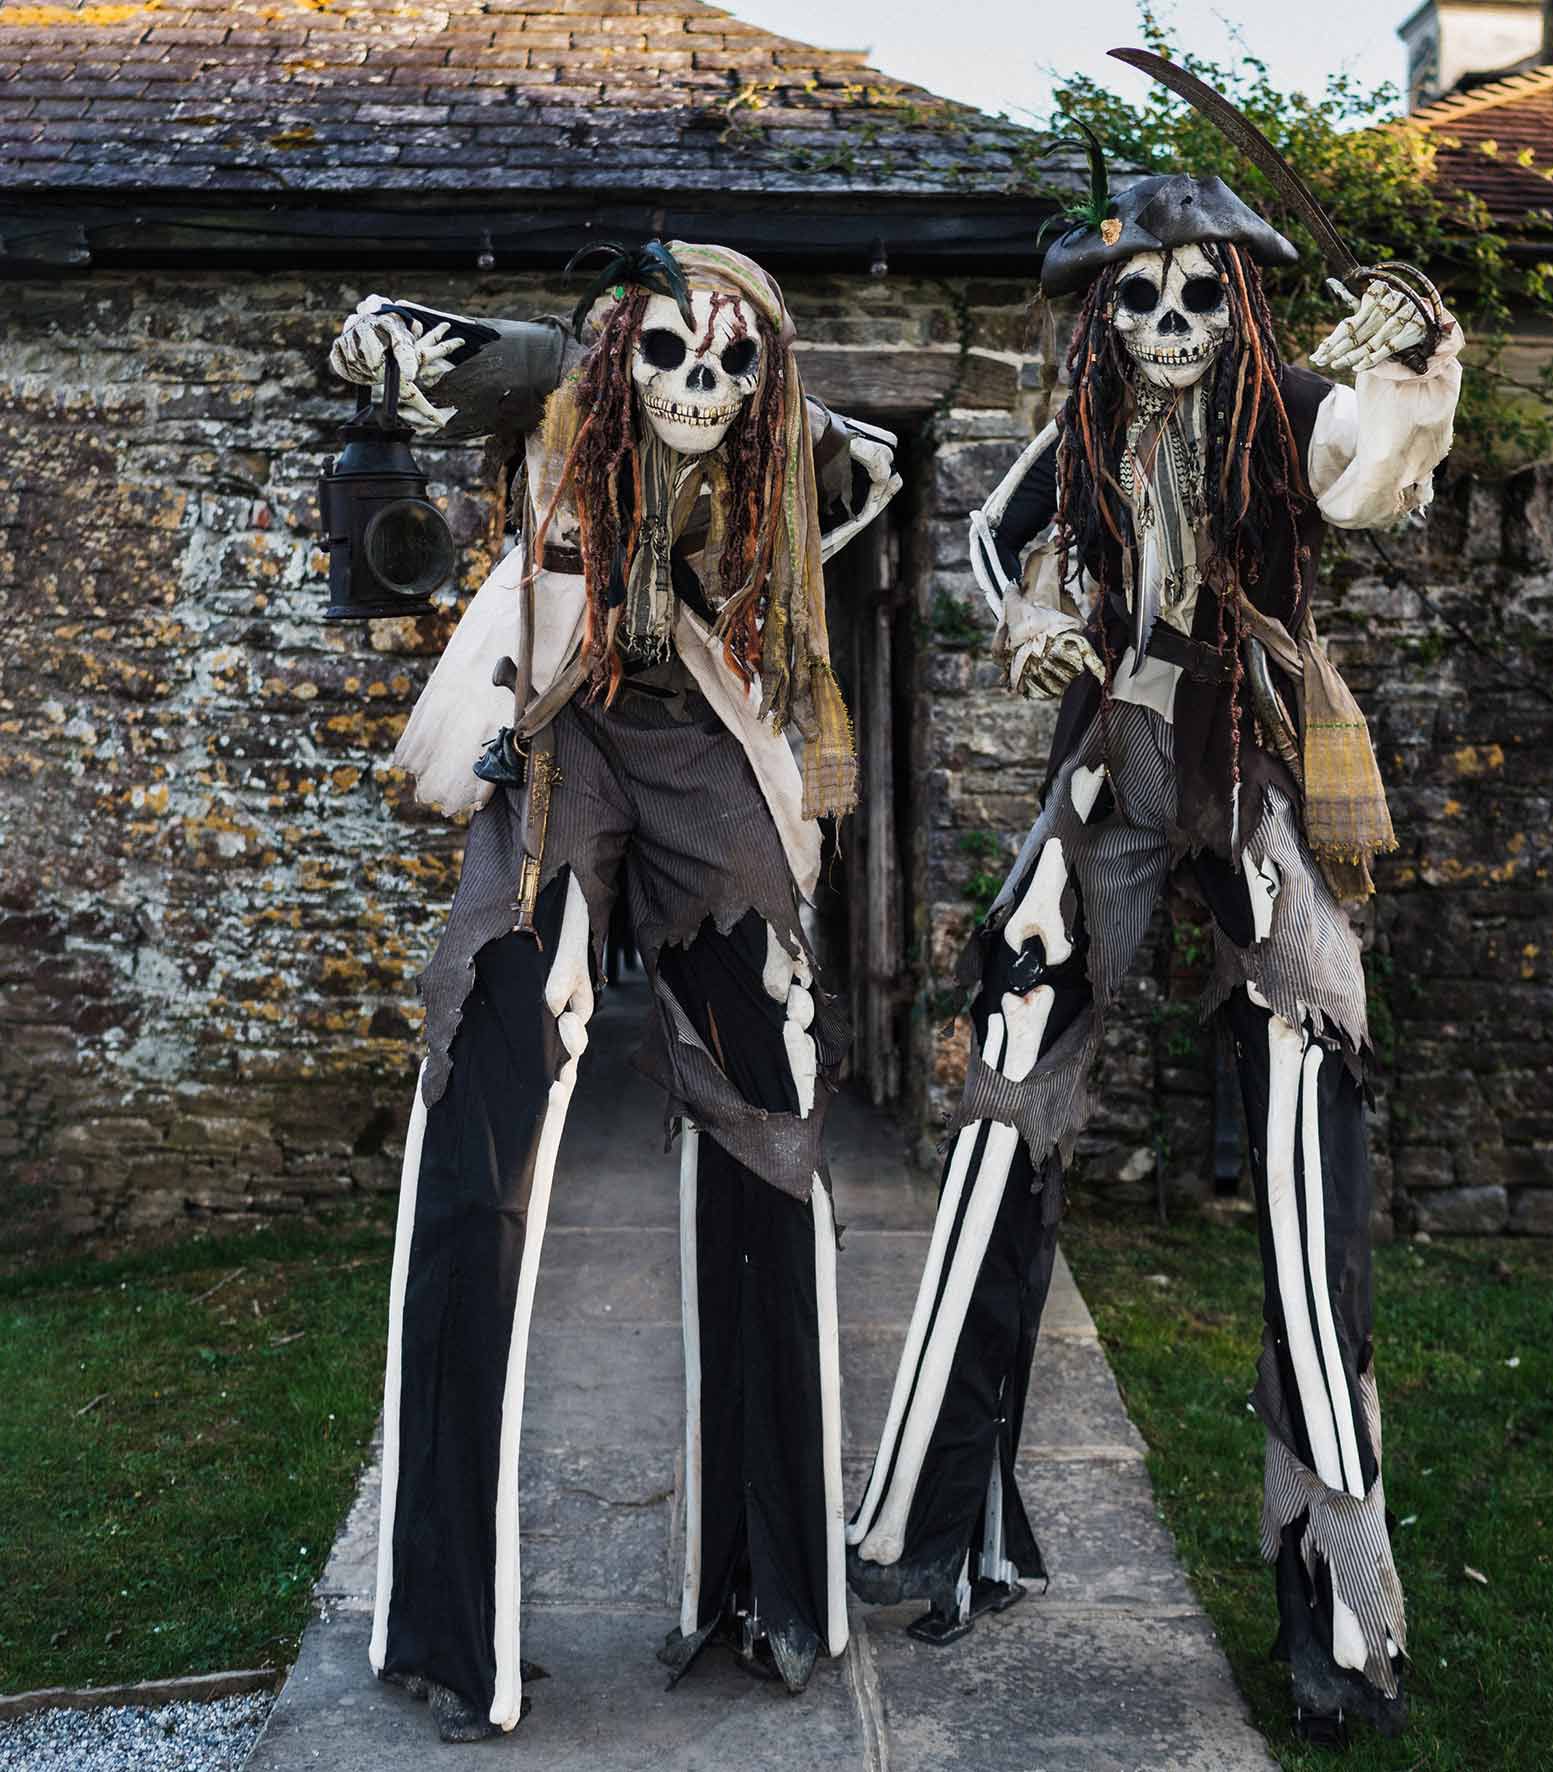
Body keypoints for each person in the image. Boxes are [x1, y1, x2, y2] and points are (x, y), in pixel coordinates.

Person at [845, 164, 1462, 1746]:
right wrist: (1036, 618)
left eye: (1198, 297)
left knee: (1307, 1114)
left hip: (1253, 766)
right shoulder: (1086, 429)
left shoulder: (1290, 405)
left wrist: (1410, 371)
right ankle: (940, 1522)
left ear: (1238, 304)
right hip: (1113, 763)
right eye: (1139, 297)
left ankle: (1339, 1611)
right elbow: (996, 537)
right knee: (1011, 1072)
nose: (1170, 324)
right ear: (1104, 315)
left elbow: (1364, 479)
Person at [327, 240, 900, 1739]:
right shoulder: (564, 389)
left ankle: (770, 1584)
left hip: (707, 749)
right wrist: (387, 347)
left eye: (729, 364)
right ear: (619, 352)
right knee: (488, 1077)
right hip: (565, 734)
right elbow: (423, 341)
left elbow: (853, 462)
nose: (697, 386)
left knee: (769, 1102)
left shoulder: (780, 438)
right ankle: (446, 1620)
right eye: (669, 355)